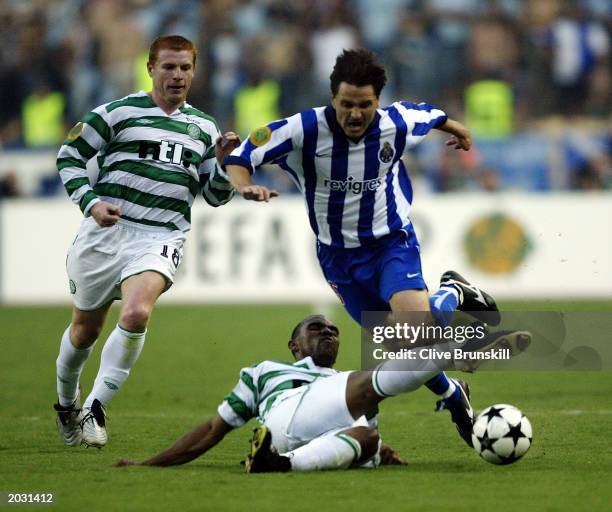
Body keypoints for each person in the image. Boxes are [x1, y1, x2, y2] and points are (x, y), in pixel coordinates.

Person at [224, 48, 500, 445]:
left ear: (378, 101)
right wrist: (243, 185)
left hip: (391, 243)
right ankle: (454, 393)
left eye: (365, 106)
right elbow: (241, 153)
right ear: (332, 98)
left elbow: (430, 115)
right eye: (346, 105)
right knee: (403, 349)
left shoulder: (394, 123)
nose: (355, 114)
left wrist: (459, 129)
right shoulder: (302, 129)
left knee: (412, 333)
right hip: (338, 259)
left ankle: (452, 293)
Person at [53, 35, 240, 449]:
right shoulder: (118, 112)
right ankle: (67, 405)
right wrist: (91, 203)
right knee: (84, 332)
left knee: (137, 313)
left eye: (185, 68)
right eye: (169, 67)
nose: (178, 76)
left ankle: (96, 409)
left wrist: (227, 167)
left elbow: (213, 195)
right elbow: (68, 156)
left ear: (195, 71)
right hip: (104, 234)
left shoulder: (204, 128)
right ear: (151, 68)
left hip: (160, 235)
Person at [113, 314, 529, 472]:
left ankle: (277, 465)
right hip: (284, 417)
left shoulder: (347, 381)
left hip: (308, 444)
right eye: (316, 329)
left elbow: (360, 422)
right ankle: (461, 353)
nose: (327, 333)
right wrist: (148, 464)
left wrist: (383, 452)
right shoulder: (265, 372)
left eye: (333, 331)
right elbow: (212, 429)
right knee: (372, 382)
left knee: (368, 438)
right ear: (294, 346)